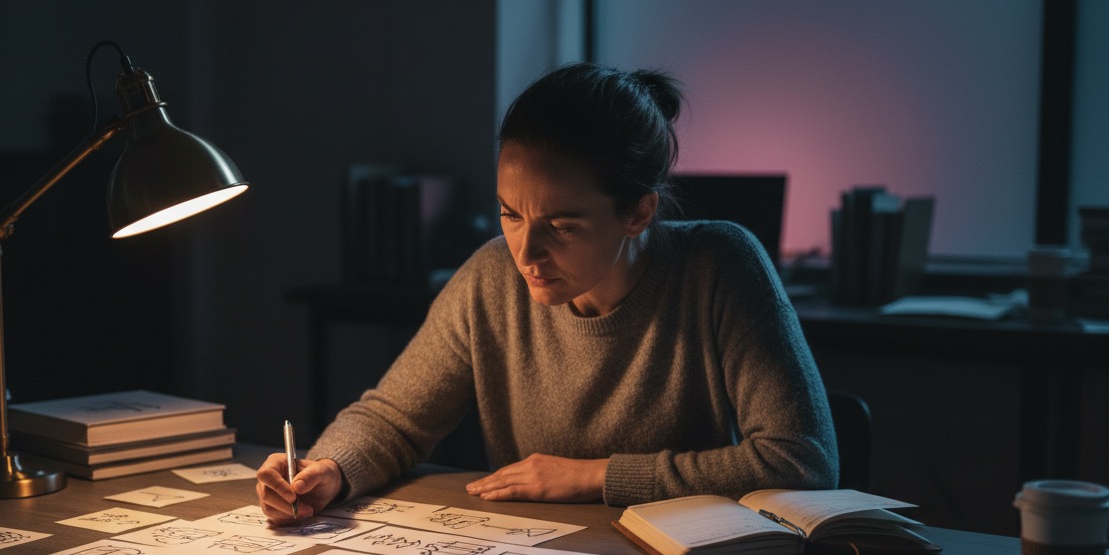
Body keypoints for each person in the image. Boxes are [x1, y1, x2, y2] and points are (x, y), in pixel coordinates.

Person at [257, 62, 836, 524]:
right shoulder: (491, 278)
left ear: (638, 213)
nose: (525, 253)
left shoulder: (718, 265)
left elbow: (802, 461)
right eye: (510, 214)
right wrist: (330, 468)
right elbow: (395, 419)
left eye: (562, 226)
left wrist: (593, 476)